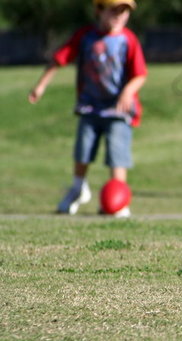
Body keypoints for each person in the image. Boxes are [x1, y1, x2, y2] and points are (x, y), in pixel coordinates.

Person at [28, 0, 147, 217]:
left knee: (117, 154)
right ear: (98, 10)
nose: (119, 15)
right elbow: (59, 59)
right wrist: (40, 86)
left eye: (124, 11)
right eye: (114, 10)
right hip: (90, 107)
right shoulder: (85, 37)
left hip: (118, 110)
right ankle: (77, 188)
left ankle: (117, 200)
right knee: (82, 151)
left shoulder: (128, 40)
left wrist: (128, 91)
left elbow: (140, 74)